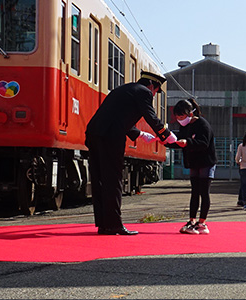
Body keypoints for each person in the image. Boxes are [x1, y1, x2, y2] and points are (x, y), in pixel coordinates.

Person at [85, 71, 177, 235]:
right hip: (110, 137)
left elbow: (117, 117)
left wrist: (140, 134)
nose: (154, 94)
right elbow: (150, 115)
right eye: (155, 91)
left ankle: (104, 224)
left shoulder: (124, 89)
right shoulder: (144, 92)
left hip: (94, 133)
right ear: (151, 85)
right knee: (113, 180)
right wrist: (166, 134)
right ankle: (114, 225)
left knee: (100, 180)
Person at [165, 99, 217, 234]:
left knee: (204, 192)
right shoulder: (185, 127)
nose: (179, 120)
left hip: (206, 162)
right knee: (194, 192)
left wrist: (187, 142)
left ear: (190, 113)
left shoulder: (203, 124)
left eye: (181, 116)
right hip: (194, 162)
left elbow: (203, 143)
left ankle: (202, 223)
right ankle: (192, 220)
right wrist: (165, 142)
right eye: (177, 117)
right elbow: (178, 141)